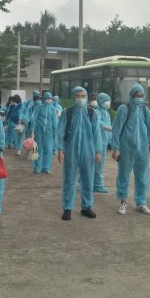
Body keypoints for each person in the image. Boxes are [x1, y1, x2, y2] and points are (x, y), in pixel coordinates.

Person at [111, 83, 150, 216]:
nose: (139, 98)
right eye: (136, 95)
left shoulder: (144, 109)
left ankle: (141, 203)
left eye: (141, 95)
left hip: (142, 150)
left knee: (142, 177)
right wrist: (115, 148)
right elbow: (116, 130)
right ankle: (123, 202)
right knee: (123, 176)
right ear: (131, 96)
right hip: (126, 149)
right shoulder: (124, 109)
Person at [57, 86, 102, 221]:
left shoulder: (92, 113)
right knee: (69, 179)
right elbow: (60, 133)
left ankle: (86, 207)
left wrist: (98, 151)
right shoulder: (67, 113)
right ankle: (67, 208)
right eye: (78, 96)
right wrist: (60, 150)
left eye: (83, 96)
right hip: (71, 150)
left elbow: (97, 134)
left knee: (88, 178)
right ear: (73, 97)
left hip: (88, 150)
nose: (81, 99)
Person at [30, 91, 58, 174]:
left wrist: (55, 131)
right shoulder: (39, 108)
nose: (48, 100)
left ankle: (46, 167)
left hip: (49, 133)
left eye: (50, 98)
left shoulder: (52, 109)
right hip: (38, 132)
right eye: (47, 98)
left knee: (48, 150)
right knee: (36, 149)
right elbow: (33, 119)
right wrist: (32, 131)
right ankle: (36, 167)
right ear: (44, 99)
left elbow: (55, 121)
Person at [93, 92, 112, 193]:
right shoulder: (97, 112)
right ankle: (97, 185)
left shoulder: (107, 113)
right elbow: (97, 122)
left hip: (104, 142)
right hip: (98, 142)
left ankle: (94, 183)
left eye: (108, 101)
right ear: (100, 101)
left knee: (99, 164)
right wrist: (105, 126)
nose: (108, 103)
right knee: (98, 164)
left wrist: (112, 141)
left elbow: (110, 128)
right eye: (105, 101)